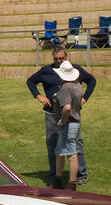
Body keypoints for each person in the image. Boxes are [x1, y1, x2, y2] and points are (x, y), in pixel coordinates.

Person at [27, 44, 96, 186]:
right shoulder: (46, 70)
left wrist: (85, 98)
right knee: (52, 145)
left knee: (76, 144)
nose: (58, 61)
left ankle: (80, 175)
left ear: (66, 57)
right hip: (51, 114)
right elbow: (30, 81)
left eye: (61, 58)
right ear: (53, 57)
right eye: (56, 59)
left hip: (71, 116)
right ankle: (55, 176)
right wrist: (38, 96)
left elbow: (92, 81)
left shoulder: (74, 70)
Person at [53, 60, 84, 189]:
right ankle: (58, 180)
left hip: (68, 123)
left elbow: (66, 107)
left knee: (71, 154)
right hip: (75, 122)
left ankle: (72, 183)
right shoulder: (77, 85)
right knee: (60, 152)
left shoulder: (66, 87)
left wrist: (62, 120)